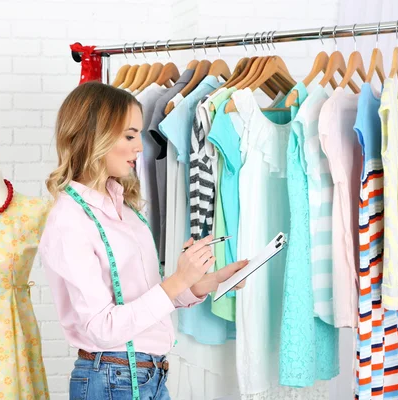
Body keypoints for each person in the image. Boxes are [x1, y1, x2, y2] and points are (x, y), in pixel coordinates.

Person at [39, 81, 248, 400]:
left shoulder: (127, 210)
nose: (140, 146)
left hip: (148, 375)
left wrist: (198, 284)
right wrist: (176, 280)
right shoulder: (70, 219)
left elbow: (142, 300)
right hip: (113, 378)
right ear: (94, 137)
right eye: (129, 135)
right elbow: (103, 327)